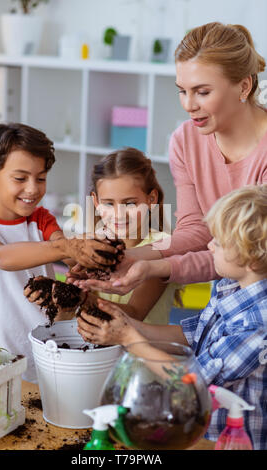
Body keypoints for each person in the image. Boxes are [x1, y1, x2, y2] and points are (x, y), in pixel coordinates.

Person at [77, 22, 267, 296]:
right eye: (182, 90)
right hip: (228, 293)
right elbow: (196, 231)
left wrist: (155, 267)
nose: (189, 105)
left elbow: (250, 256)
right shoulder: (185, 141)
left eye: (202, 92)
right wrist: (129, 258)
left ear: (244, 86)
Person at [77, 184, 267, 450]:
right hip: (196, 431)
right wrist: (128, 323)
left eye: (220, 242)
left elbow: (192, 382)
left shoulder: (258, 326)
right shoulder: (231, 286)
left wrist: (130, 338)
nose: (210, 246)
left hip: (227, 441)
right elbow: (192, 336)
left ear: (254, 261)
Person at [0, 123, 118, 382]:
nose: (33, 189)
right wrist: (66, 247)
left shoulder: (41, 218)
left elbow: (69, 253)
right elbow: (0, 257)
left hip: (41, 352)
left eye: (41, 178)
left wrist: (87, 259)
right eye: (20, 178)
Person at [68, 147, 182, 324]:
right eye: (108, 203)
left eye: (129, 203)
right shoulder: (92, 244)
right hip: (101, 346)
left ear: (151, 199)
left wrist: (83, 299)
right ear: (96, 202)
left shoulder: (163, 247)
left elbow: (135, 314)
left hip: (145, 350)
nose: (119, 214)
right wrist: (80, 286)